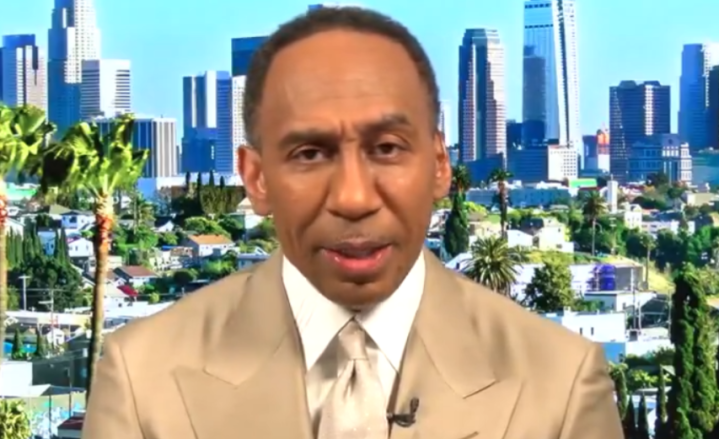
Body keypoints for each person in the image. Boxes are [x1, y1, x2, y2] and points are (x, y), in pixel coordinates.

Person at [82, 6, 622, 439]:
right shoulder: (141, 378)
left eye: (387, 148)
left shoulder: (562, 382)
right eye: (310, 154)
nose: (354, 198)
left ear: (440, 166)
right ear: (257, 178)